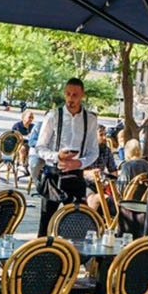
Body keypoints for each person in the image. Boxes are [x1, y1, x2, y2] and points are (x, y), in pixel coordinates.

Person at [35, 77, 100, 228]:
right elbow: (40, 147)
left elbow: (93, 151)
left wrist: (79, 163)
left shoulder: (90, 119)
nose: (71, 98)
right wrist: (57, 156)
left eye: (75, 95)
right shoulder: (53, 116)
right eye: (68, 94)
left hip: (76, 176)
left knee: (76, 223)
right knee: (46, 223)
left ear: (82, 95)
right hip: (53, 175)